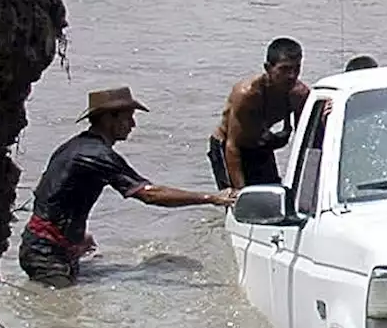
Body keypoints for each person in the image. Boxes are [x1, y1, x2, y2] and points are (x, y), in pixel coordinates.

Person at [19, 88, 235, 288]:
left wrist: (75, 236)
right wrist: (212, 198)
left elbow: (46, 193)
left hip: (49, 246)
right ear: (107, 118)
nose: (133, 125)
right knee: (63, 319)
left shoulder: (74, 147)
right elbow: (149, 194)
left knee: (64, 307)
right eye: (128, 117)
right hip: (47, 254)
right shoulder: (96, 155)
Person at [209, 38, 311, 190]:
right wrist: (240, 192)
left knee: (273, 195)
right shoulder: (248, 94)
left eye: (296, 69)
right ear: (268, 68)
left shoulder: (299, 95)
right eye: (284, 69)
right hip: (228, 146)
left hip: (260, 143)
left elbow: (305, 139)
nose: (291, 76)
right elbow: (233, 146)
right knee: (235, 201)